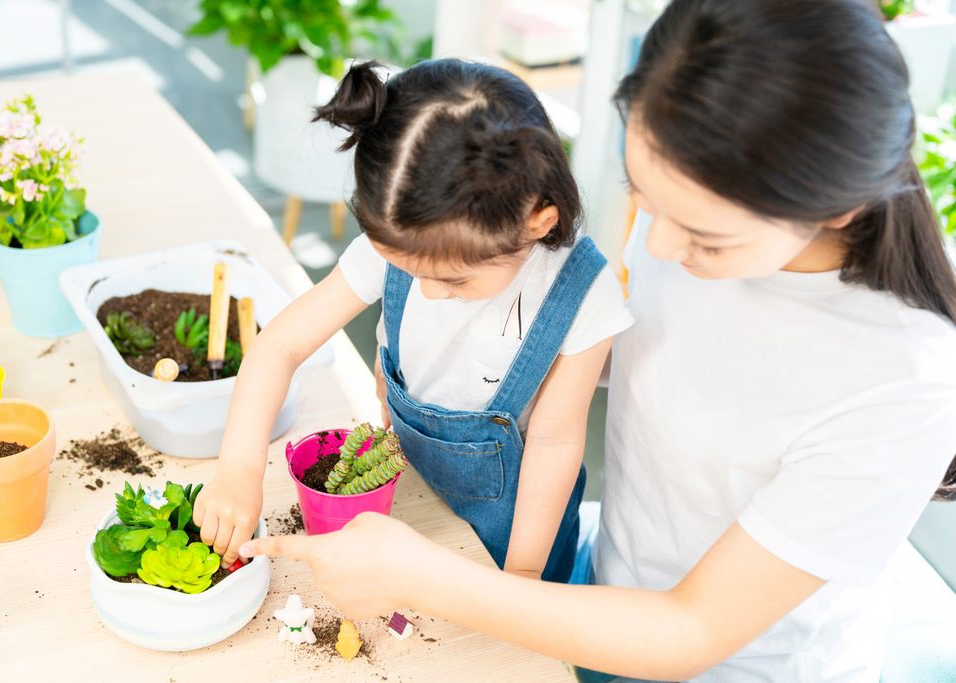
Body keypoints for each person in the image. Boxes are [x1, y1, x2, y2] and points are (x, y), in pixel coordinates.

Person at [234, 1, 956, 681]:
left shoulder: (903, 380)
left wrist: (432, 576)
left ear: (838, 205)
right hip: (595, 593)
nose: (659, 246)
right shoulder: (695, 198)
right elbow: (632, 357)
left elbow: (690, 630)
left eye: (706, 238)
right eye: (642, 193)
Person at [193, 59, 633, 584]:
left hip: (514, 541)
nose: (426, 292)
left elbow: (554, 443)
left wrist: (518, 582)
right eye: (406, 269)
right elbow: (279, 345)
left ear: (536, 223)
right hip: (411, 501)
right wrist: (238, 471)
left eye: (455, 281)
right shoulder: (407, 239)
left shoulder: (581, 295)